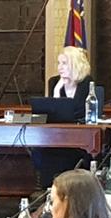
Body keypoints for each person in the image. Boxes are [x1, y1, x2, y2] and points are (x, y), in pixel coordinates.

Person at [32, 46, 93, 190]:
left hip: (79, 138)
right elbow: (53, 111)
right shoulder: (55, 83)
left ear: (75, 64)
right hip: (56, 137)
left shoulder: (86, 83)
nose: (60, 68)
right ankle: (50, 190)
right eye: (59, 63)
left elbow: (79, 112)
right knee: (39, 150)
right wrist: (57, 92)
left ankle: (67, 189)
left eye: (64, 63)